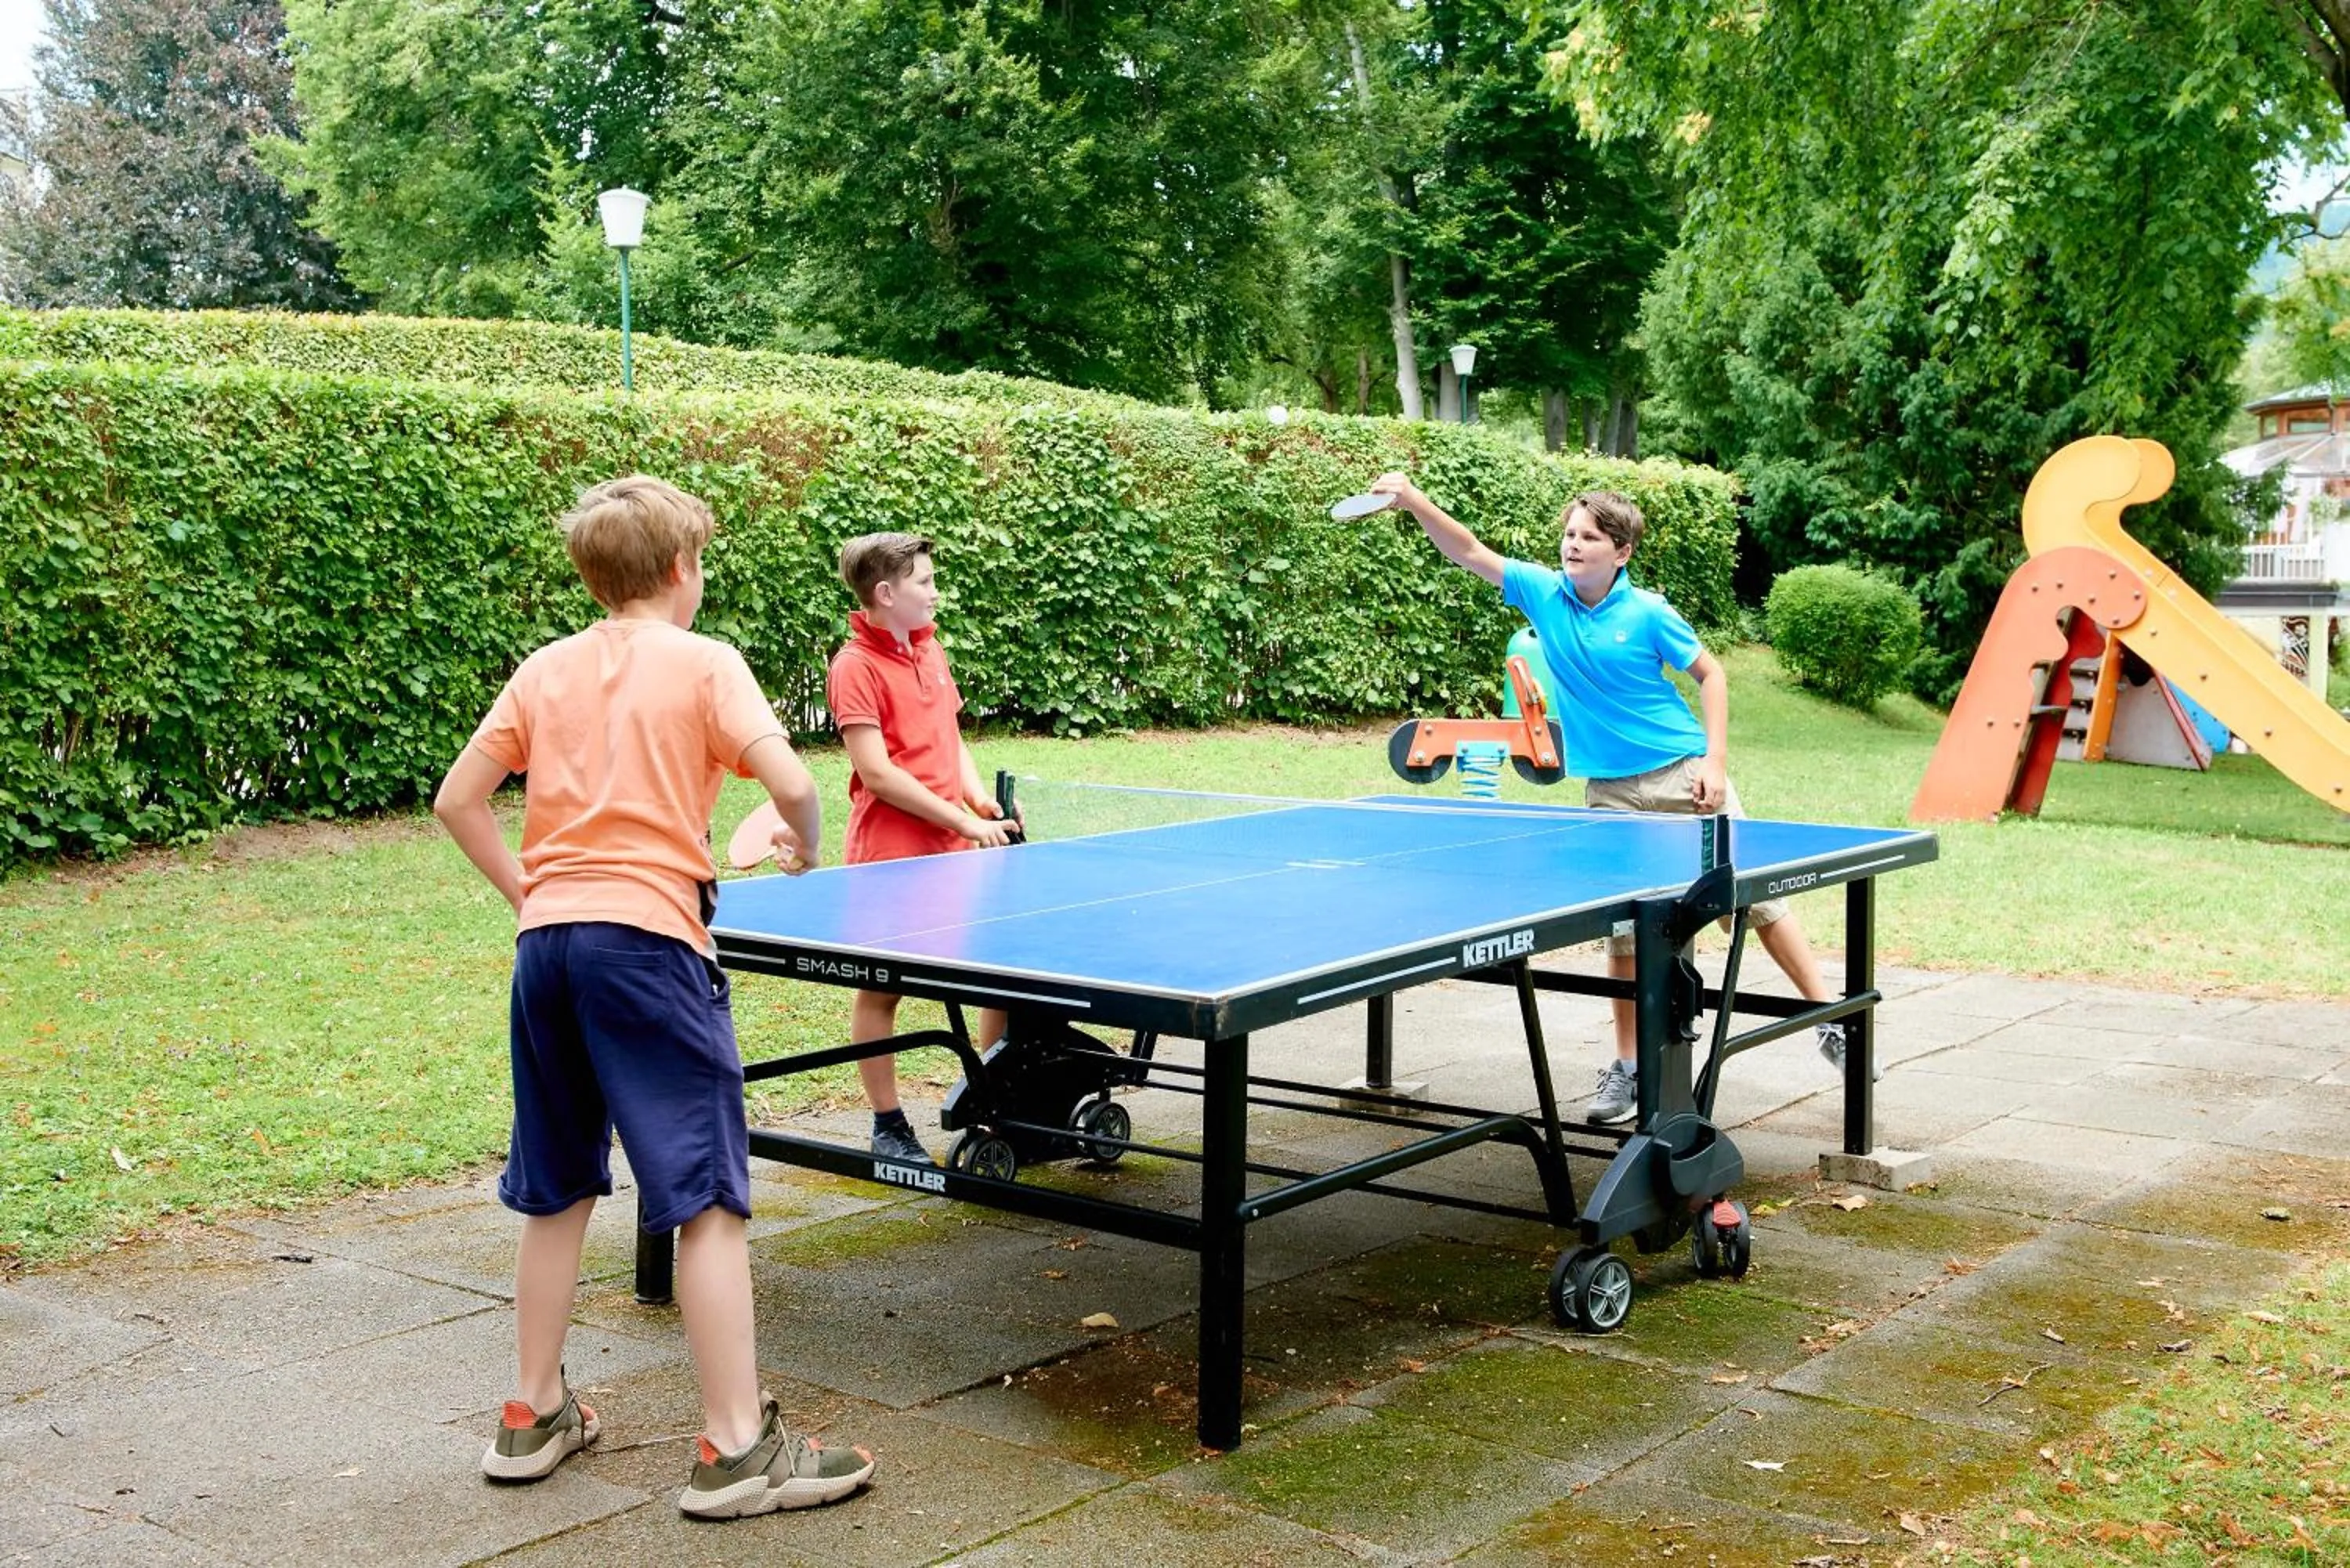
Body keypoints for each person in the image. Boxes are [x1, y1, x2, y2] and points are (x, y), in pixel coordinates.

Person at [434, 475, 876, 1519]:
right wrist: (800, 847)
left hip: (549, 949)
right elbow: (799, 787)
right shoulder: (706, 661)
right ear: (681, 570)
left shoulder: (544, 669)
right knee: (705, 1196)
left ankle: (532, 1411)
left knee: (555, 1182)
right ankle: (734, 1449)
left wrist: (530, 892)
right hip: (649, 946)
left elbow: (458, 799)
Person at [1368, 474, 1873, 1125]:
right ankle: (1629, 1068)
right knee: (1625, 932)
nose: (1572, 546)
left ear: (1621, 551)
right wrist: (1411, 500)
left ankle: (1827, 1022)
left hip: (1683, 776)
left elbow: (1711, 673)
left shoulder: (1649, 613)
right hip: (1610, 793)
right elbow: (1467, 550)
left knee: (1756, 905)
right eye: (1568, 535)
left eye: (1588, 537)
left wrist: (1715, 763)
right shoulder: (1544, 596)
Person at [827, 532, 1019, 1165]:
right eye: (925, 582)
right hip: (892, 858)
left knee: (998, 976)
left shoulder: (931, 650)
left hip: (953, 851)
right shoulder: (853, 665)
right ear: (886, 593)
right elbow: (877, 773)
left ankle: (991, 1109)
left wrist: (977, 803)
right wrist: (965, 825)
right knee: (883, 991)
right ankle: (888, 1124)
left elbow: (950, 739)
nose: (936, 592)